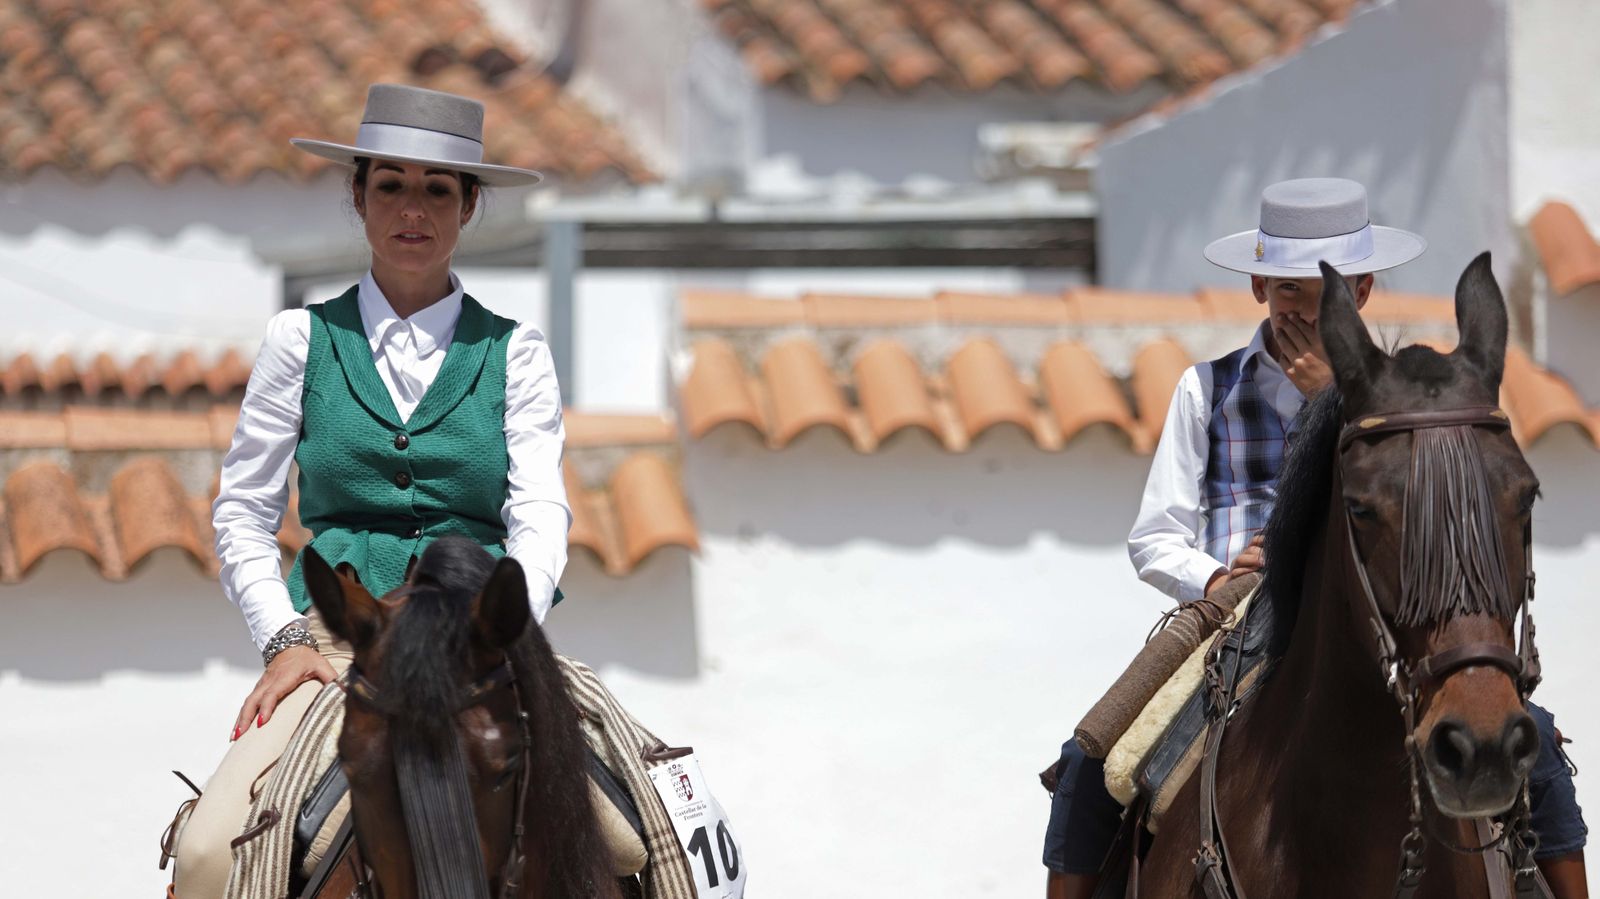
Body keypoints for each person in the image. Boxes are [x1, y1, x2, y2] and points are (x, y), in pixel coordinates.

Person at [1043, 178, 1588, 899]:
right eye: (1288, 288)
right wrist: (1210, 577)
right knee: (1098, 759)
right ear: (1260, 286)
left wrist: (1335, 393)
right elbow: (1155, 536)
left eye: (1319, 289)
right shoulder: (1205, 390)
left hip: (1368, 609)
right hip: (1234, 612)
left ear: (1359, 292)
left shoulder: (1393, 408)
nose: (1302, 304)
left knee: (1537, 745)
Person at [167, 83, 570, 897]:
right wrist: (286, 641)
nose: (411, 209)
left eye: (436, 189)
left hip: (479, 643)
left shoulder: (518, 351)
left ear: (468, 206)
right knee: (210, 851)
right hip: (341, 645)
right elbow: (242, 513)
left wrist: (507, 630)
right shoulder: (299, 339)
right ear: (358, 196)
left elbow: (539, 513)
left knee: (641, 824)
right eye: (390, 184)